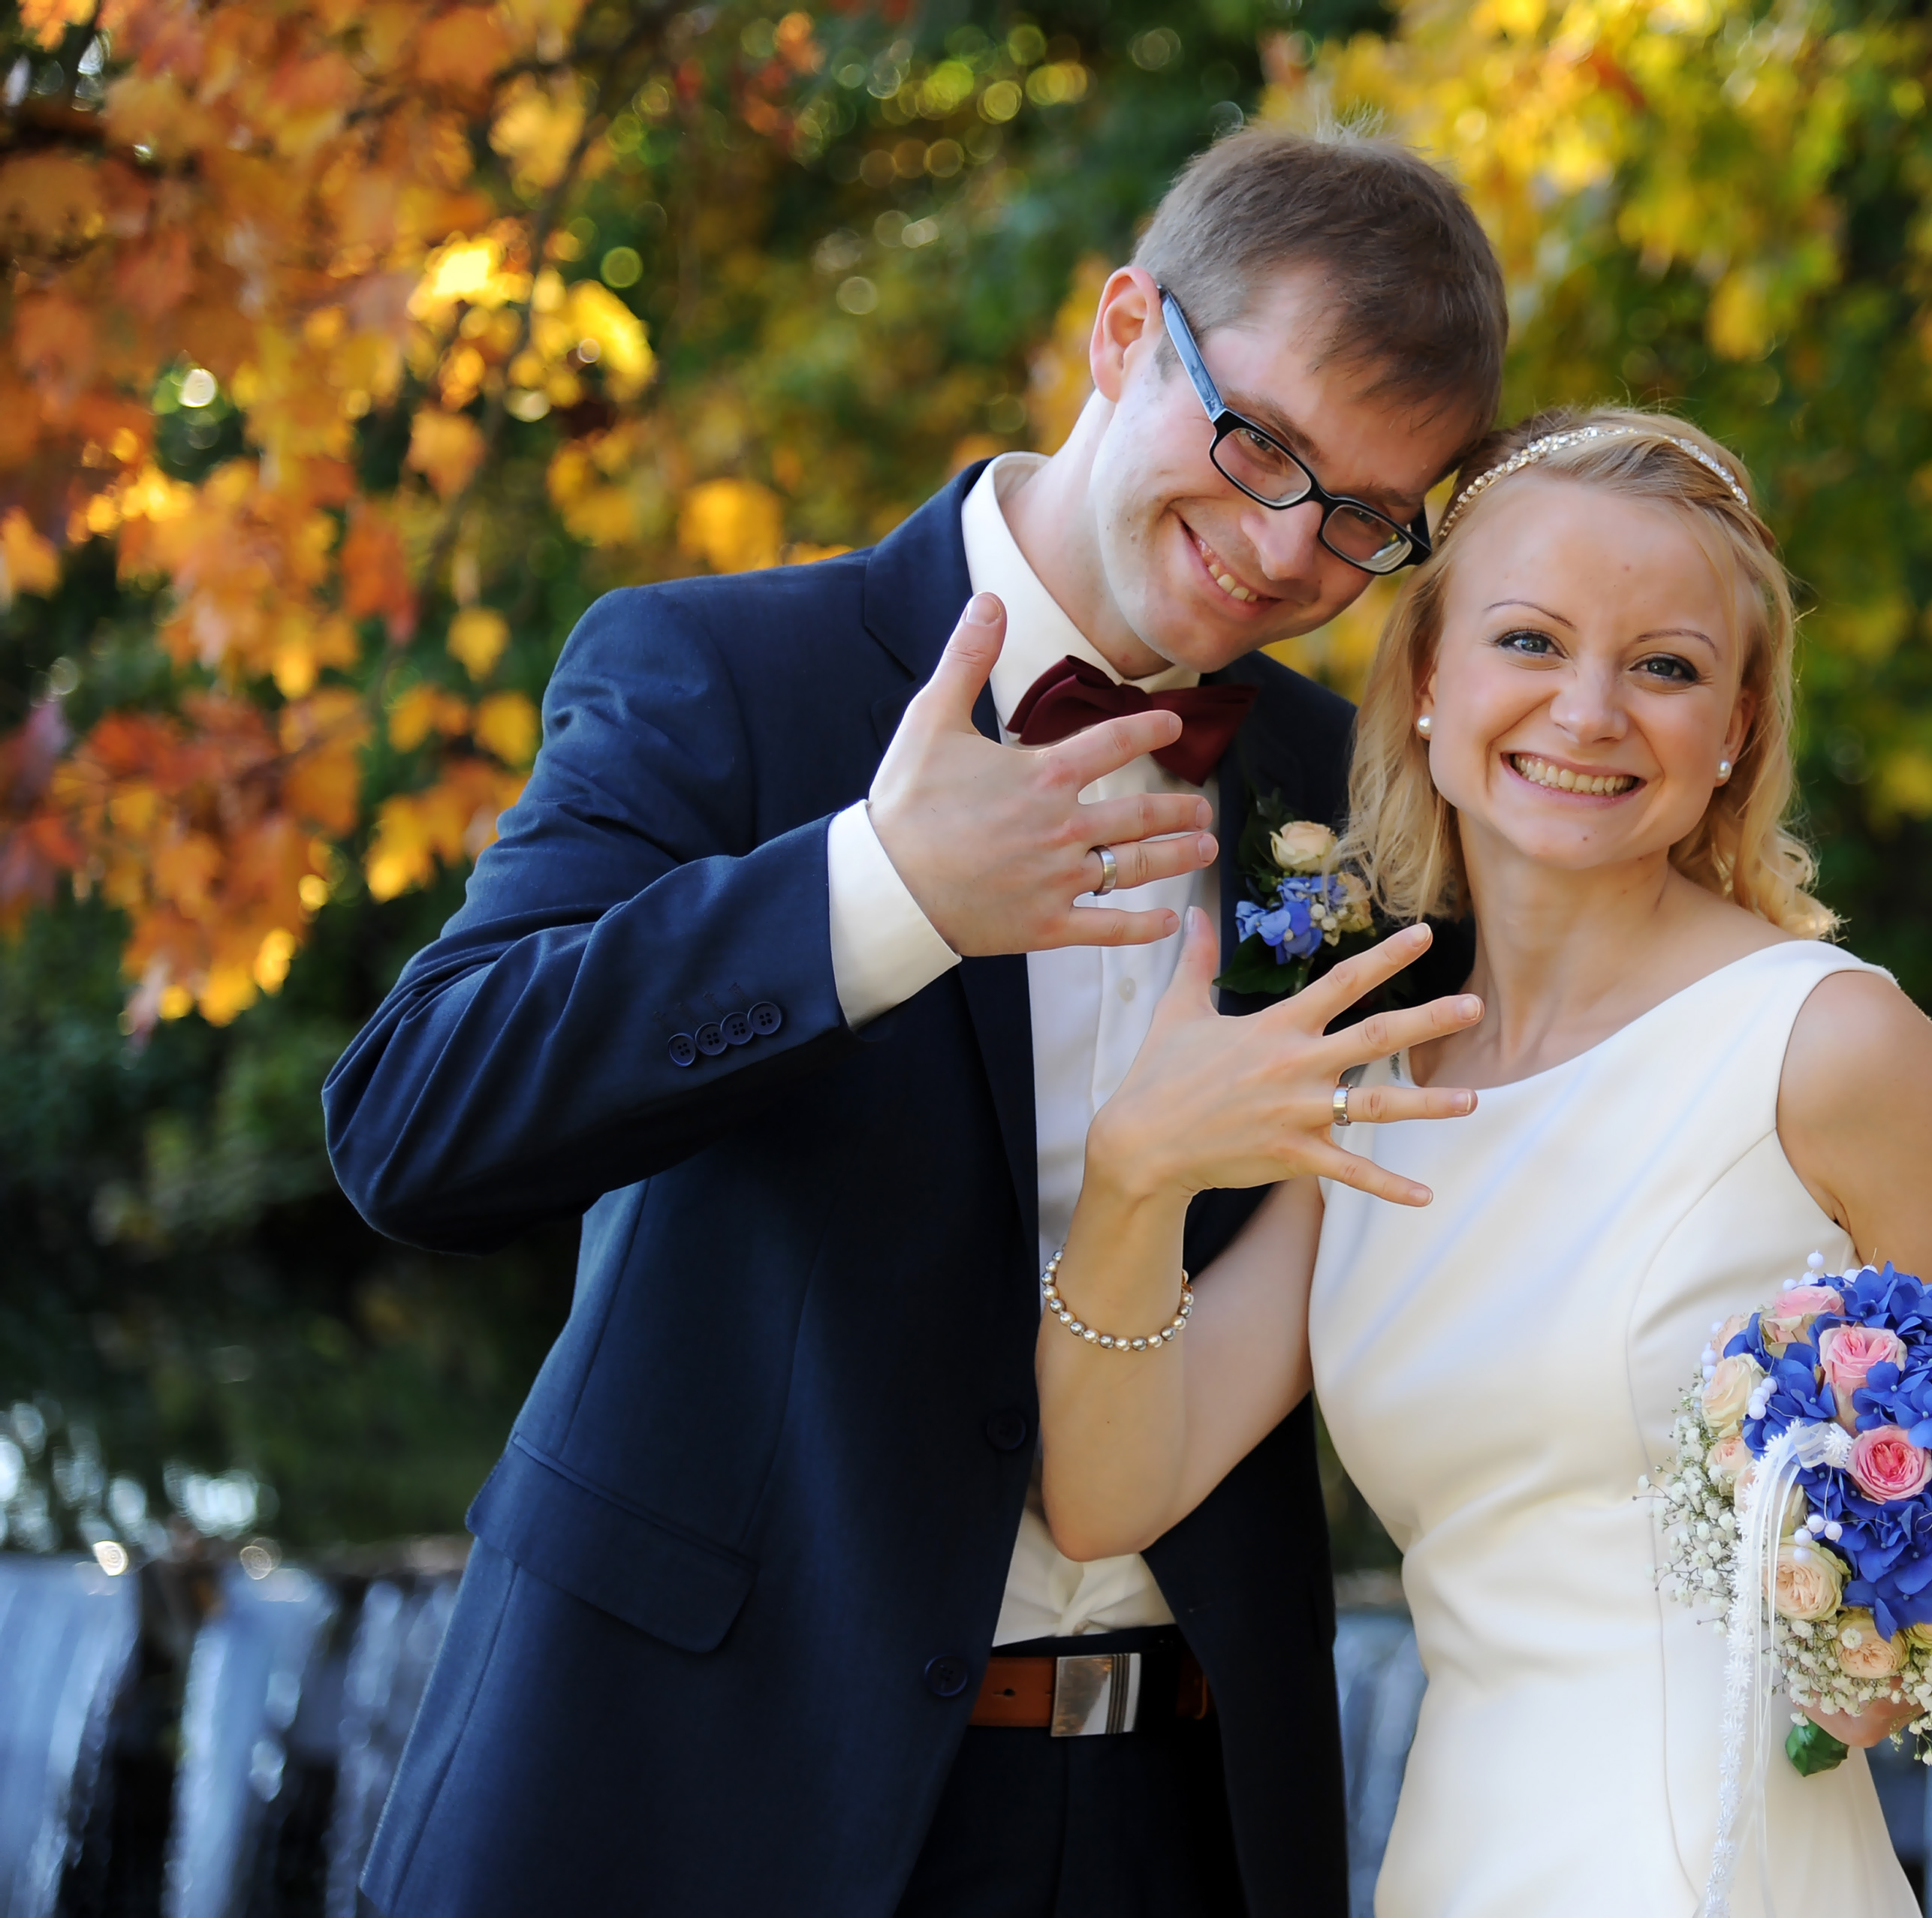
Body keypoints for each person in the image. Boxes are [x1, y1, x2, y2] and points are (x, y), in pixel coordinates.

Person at [320, 126, 1504, 1918]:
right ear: (1125, 332)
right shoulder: (719, 673)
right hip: (697, 1790)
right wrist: (874, 895)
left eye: (1361, 518)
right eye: (1261, 443)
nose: (1286, 550)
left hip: (1179, 1810)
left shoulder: (1354, 800)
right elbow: (414, 1126)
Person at [1030, 407, 1932, 1913]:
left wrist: (1871, 1688)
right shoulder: (1370, 1080)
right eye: (1530, 641)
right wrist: (1136, 1178)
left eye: (1665, 667)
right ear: (1429, 680)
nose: (1587, 713)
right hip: (1456, 1863)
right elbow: (1113, 1495)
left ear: (1735, 730)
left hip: (1724, 1870)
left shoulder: (1821, 1043)